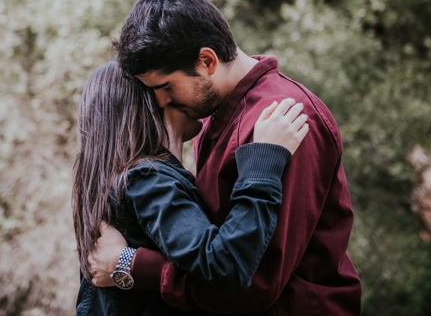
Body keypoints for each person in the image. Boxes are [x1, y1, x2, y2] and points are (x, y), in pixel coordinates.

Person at [88, 0, 362, 315]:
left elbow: (251, 286)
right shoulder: (214, 121)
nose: (160, 102)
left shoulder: (282, 121)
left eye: (165, 86)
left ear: (206, 61)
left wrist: (132, 265)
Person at [72, 60, 310, 315]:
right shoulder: (147, 179)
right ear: (159, 98)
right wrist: (263, 161)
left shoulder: (131, 179)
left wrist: (127, 263)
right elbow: (224, 264)